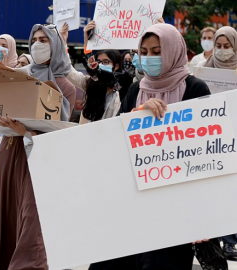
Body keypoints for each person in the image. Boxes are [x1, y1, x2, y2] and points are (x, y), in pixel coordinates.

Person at [99, 23, 214, 270]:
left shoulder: (195, 89)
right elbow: (115, 138)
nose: (149, 58)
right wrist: (139, 115)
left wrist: (204, 214)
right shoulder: (135, 90)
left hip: (174, 208)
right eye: (145, 51)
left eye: (157, 51)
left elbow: (205, 150)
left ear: (173, 51)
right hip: (133, 201)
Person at [0, 24, 76, 268]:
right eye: (34, 39)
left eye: (44, 40)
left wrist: (28, 132)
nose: (38, 44)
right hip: (8, 157)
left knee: (31, 230)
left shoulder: (66, 86)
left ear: (55, 45)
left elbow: (64, 134)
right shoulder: (17, 76)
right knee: (6, 220)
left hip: (37, 164)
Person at [200, 25, 237, 258]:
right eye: (219, 46)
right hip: (212, 136)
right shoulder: (204, 68)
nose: (222, 51)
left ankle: (231, 238)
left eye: (227, 47)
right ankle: (223, 240)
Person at [65, 20, 122, 124]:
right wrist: (64, 42)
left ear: (116, 66)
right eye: (99, 62)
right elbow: (68, 71)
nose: (100, 65)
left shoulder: (122, 90)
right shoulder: (89, 83)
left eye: (106, 62)